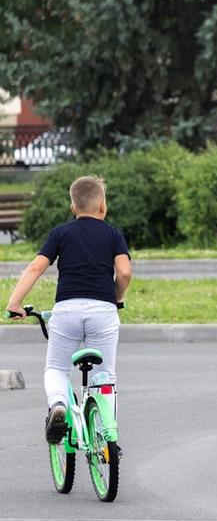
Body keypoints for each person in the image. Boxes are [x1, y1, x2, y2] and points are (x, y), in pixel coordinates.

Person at [5, 176, 132, 444]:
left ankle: (60, 403)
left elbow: (36, 268)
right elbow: (124, 272)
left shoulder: (61, 233)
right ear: (103, 207)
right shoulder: (113, 234)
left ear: (73, 208)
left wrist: (14, 304)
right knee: (105, 375)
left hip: (67, 310)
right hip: (103, 312)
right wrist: (116, 298)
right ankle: (105, 438)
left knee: (57, 369)